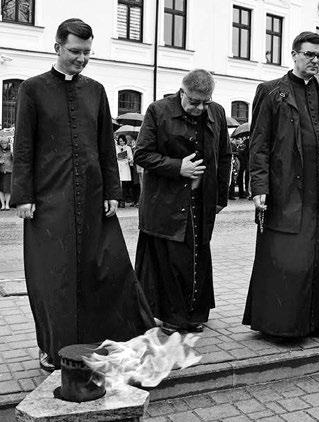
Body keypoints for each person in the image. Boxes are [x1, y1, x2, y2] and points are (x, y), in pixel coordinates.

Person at [11, 18, 154, 371]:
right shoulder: (32, 89)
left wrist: (112, 190)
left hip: (93, 198)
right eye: (75, 51)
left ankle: (104, 342)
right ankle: (53, 348)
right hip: (49, 200)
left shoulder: (95, 90)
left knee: (106, 271)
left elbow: (106, 145)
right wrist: (23, 196)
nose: (81, 59)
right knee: (52, 278)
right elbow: (24, 146)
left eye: (87, 52)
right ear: (57, 47)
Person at [243, 32, 319, 339]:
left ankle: (315, 322)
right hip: (285, 188)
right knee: (286, 256)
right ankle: (281, 325)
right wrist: (259, 187)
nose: (316, 60)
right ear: (294, 55)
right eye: (310, 55)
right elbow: (258, 144)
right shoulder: (272, 91)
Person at [134, 69, 232, 334]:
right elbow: (141, 154)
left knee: (197, 256)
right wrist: (178, 167)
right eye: (194, 102)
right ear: (182, 92)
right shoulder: (158, 110)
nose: (200, 108)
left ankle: (195, 312)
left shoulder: (217, 112)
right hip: (166, 201)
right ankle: (173, 317)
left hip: (202, 200)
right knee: (171, 260)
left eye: (206, 102)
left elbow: (224, 156)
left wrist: (220, 196)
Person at [0, 136, 13, 210]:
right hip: (0, 172)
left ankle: (7, 204)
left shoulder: (11, 150)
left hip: (9, 171)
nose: (4, 145)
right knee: (0, 189)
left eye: (5, 143)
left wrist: (12, 151)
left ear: (8, 143)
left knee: (8, 189)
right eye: (2, 143)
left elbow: (15, 158)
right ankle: (2, 205)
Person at [115, 134, 133, 208]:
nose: (121, 143)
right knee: (119, 184)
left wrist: (127, 157)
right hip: (119, 166)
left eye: (122, 141)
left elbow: (131, 158)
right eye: (120, 141)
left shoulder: (128, 148)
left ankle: (123, 201)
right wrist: (119, 156)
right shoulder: (116, 147)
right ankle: (119, 201)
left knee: (125, 184)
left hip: (125, 166)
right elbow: (115, 156)